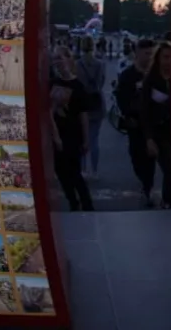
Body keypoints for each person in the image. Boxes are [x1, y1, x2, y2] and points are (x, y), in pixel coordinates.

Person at [49, 47, 93, 212]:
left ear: (69, 59)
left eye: (60, 58)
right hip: (57, 134)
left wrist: (86, 139)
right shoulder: (52, 83)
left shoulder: (78, 86)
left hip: (73, 134)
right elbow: (49, 112)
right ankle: (73, 202)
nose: (57, 62)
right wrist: (55, 136)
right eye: (55, 59)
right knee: (61, 172)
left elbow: (83, 115)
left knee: (75, 172)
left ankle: (87, 205)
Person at [114, 38, 157, 206]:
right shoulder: (128, 75)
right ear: (137, 53)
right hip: (135, 124)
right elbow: (121, 98)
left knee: (151, 158)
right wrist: (128, 113)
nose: (149, 57)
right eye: (146, 53)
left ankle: (148, 187)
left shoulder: (156, 74)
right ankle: (144, 181)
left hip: (154, 123)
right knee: (137, 157)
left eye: (152, 54)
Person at [137, 42, 171, 209]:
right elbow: (144, 112)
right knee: (170, 168)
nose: (169, 61)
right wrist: (149, 139)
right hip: (158, 133)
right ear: (158, 58)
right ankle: (168, 202)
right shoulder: (151, 81)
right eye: (165, 57)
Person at [76, 39, 106, 180]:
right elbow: (102, 82)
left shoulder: (77, 64)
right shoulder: (100, 64)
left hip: (82, 104)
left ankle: (82, 169)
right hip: (97, 103)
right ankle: (94, 170)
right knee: (94, 139)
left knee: (82, 138)